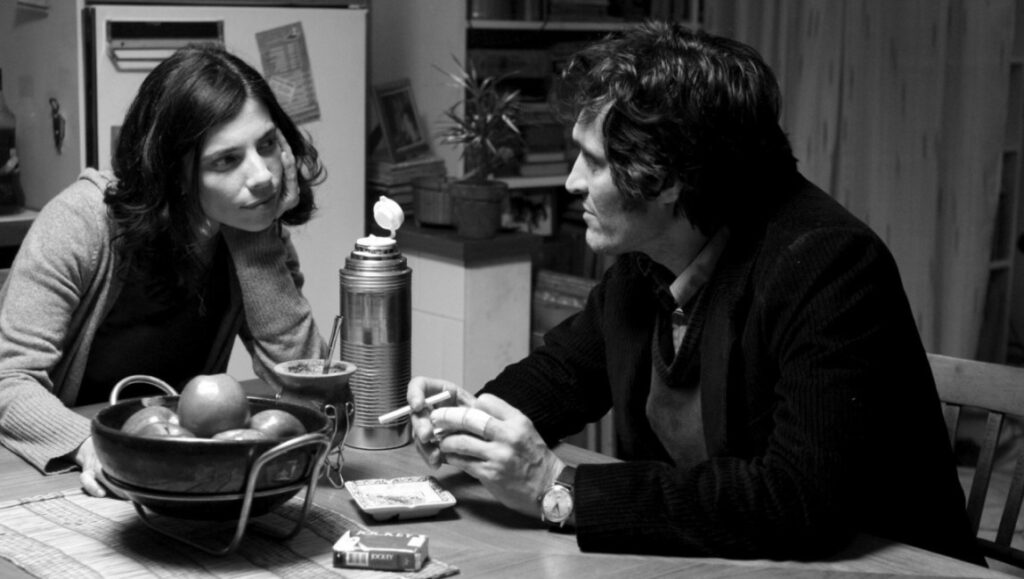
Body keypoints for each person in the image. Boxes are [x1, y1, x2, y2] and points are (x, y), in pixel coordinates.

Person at [406, 22, 984, 565]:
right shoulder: (651, 256)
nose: (572, 181)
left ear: (667, 177)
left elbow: (799, 500)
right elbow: (562, 374)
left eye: (595, 161)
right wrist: (470, 422)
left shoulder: (827, 263)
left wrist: (556, 487)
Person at [0, 44, 327, 498]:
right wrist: (88, 445)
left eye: (267, 145)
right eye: (227, 160)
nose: (263, 176)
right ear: (175, 172)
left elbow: (311, 392)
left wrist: (257, 242)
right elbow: (8, 380)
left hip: (175, 477)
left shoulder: (251, 234)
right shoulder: (80, 222)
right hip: (64, 477)